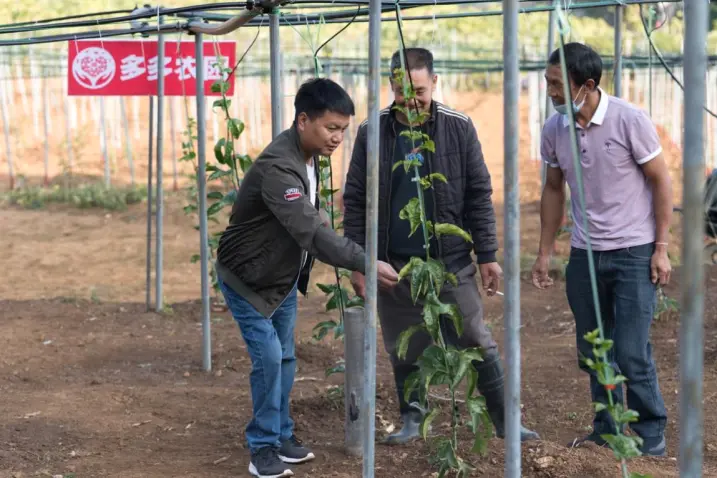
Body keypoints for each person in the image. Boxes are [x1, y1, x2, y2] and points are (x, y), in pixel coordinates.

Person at [342, 47, 540, 445]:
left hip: (448, 260)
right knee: (405, 343)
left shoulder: (458, 126)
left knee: (473, 334)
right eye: (402, 92)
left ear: (434, 83)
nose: (411, 101)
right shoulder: (373, 131)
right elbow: (357, 197)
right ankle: (413, 419)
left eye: (419, 90)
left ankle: (505, 420)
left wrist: (486, 255)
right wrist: (359, 260)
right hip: (393, 262)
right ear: (391, 87)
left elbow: (478, 193)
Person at [215, 77, 400, 478]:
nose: (337, 138)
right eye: (331, 128)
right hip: (247, 277)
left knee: (283, 356)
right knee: (267, 356)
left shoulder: (307, 157)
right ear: (303, 120)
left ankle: (280, 434)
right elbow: (311, 232)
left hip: (278, 277)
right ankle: (262, 446)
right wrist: (365, 261)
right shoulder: (279, 169)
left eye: (343, 131)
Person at [531, 42, 672, 457]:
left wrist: (661, 248)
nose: (550, 92)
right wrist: (545, 251)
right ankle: (607, 429)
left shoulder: (630, 120)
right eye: (547, 82)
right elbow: (554, 188)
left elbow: (661, 181)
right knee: (594, 348)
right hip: (584, 255)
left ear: (586, 85)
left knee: (630, 350)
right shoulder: (555, 128)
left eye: (557, 84)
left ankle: (650, 432)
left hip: (633, 251)